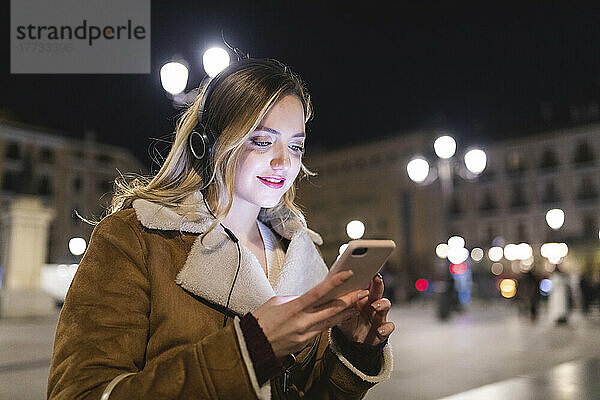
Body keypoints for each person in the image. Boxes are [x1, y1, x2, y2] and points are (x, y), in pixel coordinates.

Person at [47, 57, 394, 399]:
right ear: (207, 143)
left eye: (296, 145)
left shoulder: (299, 253)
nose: (283, 161)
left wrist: (353, 350)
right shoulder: (135, 239)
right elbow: (80, 393)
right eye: (261, 140)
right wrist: (250, 350)